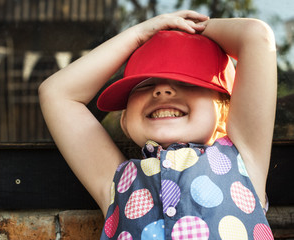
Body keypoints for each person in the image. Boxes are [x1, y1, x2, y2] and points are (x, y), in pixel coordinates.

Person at [39, 10, 277, 239]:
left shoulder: (244, 160)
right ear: (124, 120)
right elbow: (56, 94)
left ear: (225, 109)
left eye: (187, 81)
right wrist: (138, 34)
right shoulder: (117, 182)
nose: (162, 90)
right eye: (144, 84)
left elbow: (255, 36)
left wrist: (184, 26)